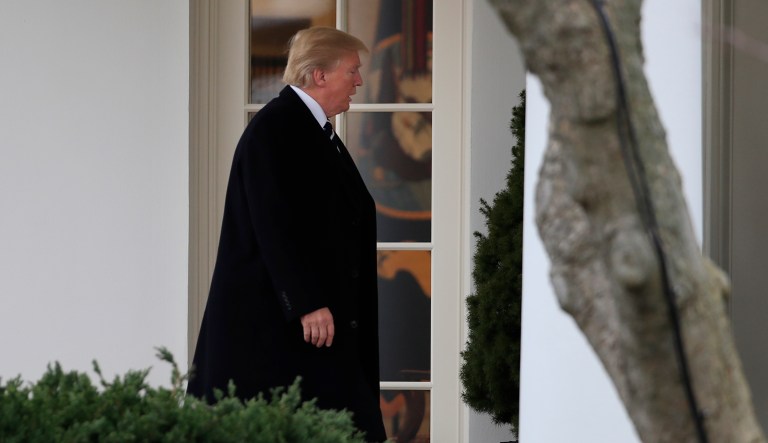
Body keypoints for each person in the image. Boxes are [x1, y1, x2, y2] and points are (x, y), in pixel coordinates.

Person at [187, 27, 387, 442]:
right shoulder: (276, 128)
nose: (359, 82)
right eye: (352, 71)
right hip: (282, 329)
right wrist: (307, 302)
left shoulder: (314, 130)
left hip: (313, 328)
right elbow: (273, 223)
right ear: (319, 76)